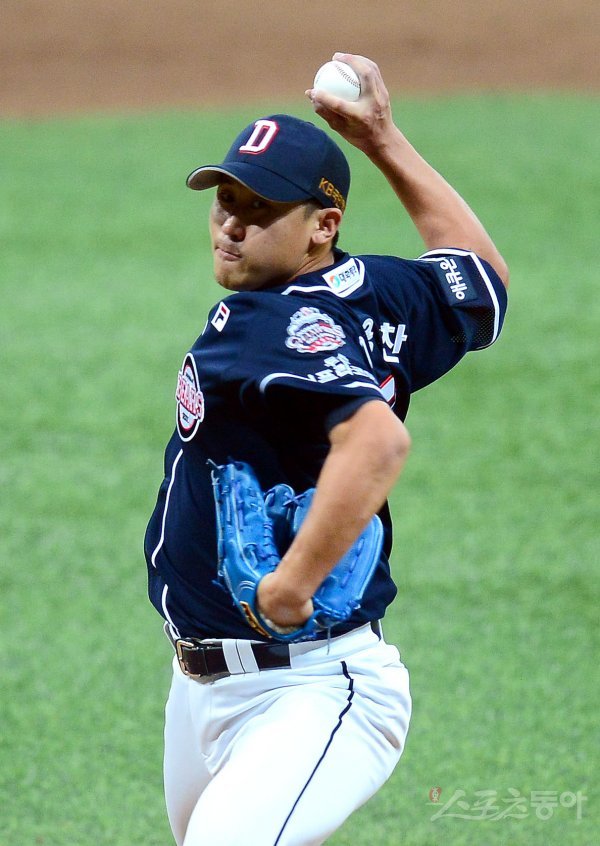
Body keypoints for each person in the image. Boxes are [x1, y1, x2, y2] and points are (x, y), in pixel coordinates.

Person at [144, 53, 509, 846]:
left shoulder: (264, 322)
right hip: (204, 689)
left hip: (311, 689)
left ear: (323, 225)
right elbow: (481, 278)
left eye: (262, 208)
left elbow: (377, 442)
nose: (232, 223)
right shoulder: (379, 291)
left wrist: (292, 584)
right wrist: (383, 140)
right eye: (227, 200)